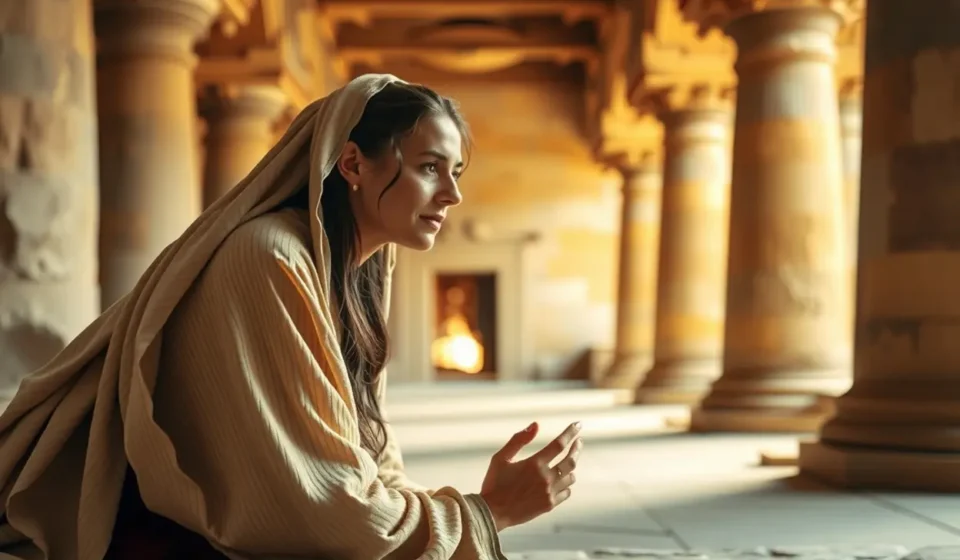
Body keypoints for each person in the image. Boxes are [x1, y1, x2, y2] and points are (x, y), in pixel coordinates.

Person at [0, 74, 583, 559]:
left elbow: (370, 455)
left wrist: (449, 524)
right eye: (431, 167)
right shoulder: (269, 256)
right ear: (353, 163)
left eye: (457, 172)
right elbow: (322, 505)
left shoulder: (361, 270)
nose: (453, 195)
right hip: (155, 538)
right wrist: (485, 513)